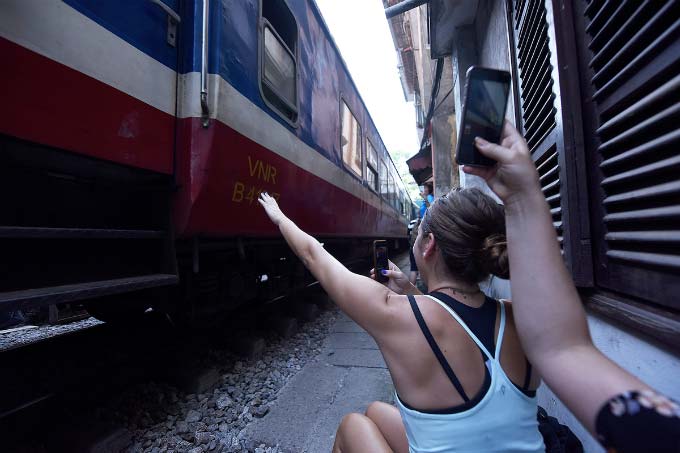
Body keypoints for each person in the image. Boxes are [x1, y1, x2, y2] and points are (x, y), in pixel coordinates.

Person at [258, 185, 545, 452]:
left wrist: (279, 216)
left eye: (418, 233)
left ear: (429, 245)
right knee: (375, 412)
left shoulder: (396, 314)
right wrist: (408, 290)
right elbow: (457, 315)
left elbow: (312, 255)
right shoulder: (519, 315)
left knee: (352, 425)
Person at [454, 121, 680, 452]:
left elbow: (561, 349)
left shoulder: (650, 425)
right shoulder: (651, 427)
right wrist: (519, 197)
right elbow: (560, 349)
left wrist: (521, 198)